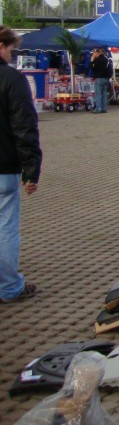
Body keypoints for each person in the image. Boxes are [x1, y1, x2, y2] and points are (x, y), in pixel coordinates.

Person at [0, 25, 42, 303]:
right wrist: (31, 170)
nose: (11, 55)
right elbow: (24, 126)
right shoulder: (12, 79)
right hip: (4, 166)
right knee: (5, 228)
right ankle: (8, 287)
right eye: (11, 50)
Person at [90, 47, 112, 113]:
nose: (93, 54)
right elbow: (109, 68)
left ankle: (98, 108)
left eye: (93, 53)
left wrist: (92, 61)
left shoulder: (97, 60)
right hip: (105, 78)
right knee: (104, 94)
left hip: (99, 78)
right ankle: (104, 108)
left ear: (97, 52)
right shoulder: (106, 59)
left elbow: (93, 68)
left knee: (98, 94)